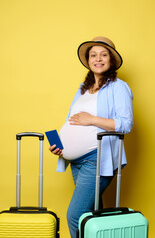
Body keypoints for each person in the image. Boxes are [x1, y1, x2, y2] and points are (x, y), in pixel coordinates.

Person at [49, 36, 133, 238]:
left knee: (76, 215)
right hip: (75, 162)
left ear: (111, 60)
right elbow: (72, 120)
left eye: (104, 55)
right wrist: (60, 145)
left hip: (96, 159)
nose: (98, 59)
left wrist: (92, 119)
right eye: (93, 55)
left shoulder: (118, 87)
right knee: (92, 215)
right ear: (88, 60)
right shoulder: (83, 89)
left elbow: (125, 124)